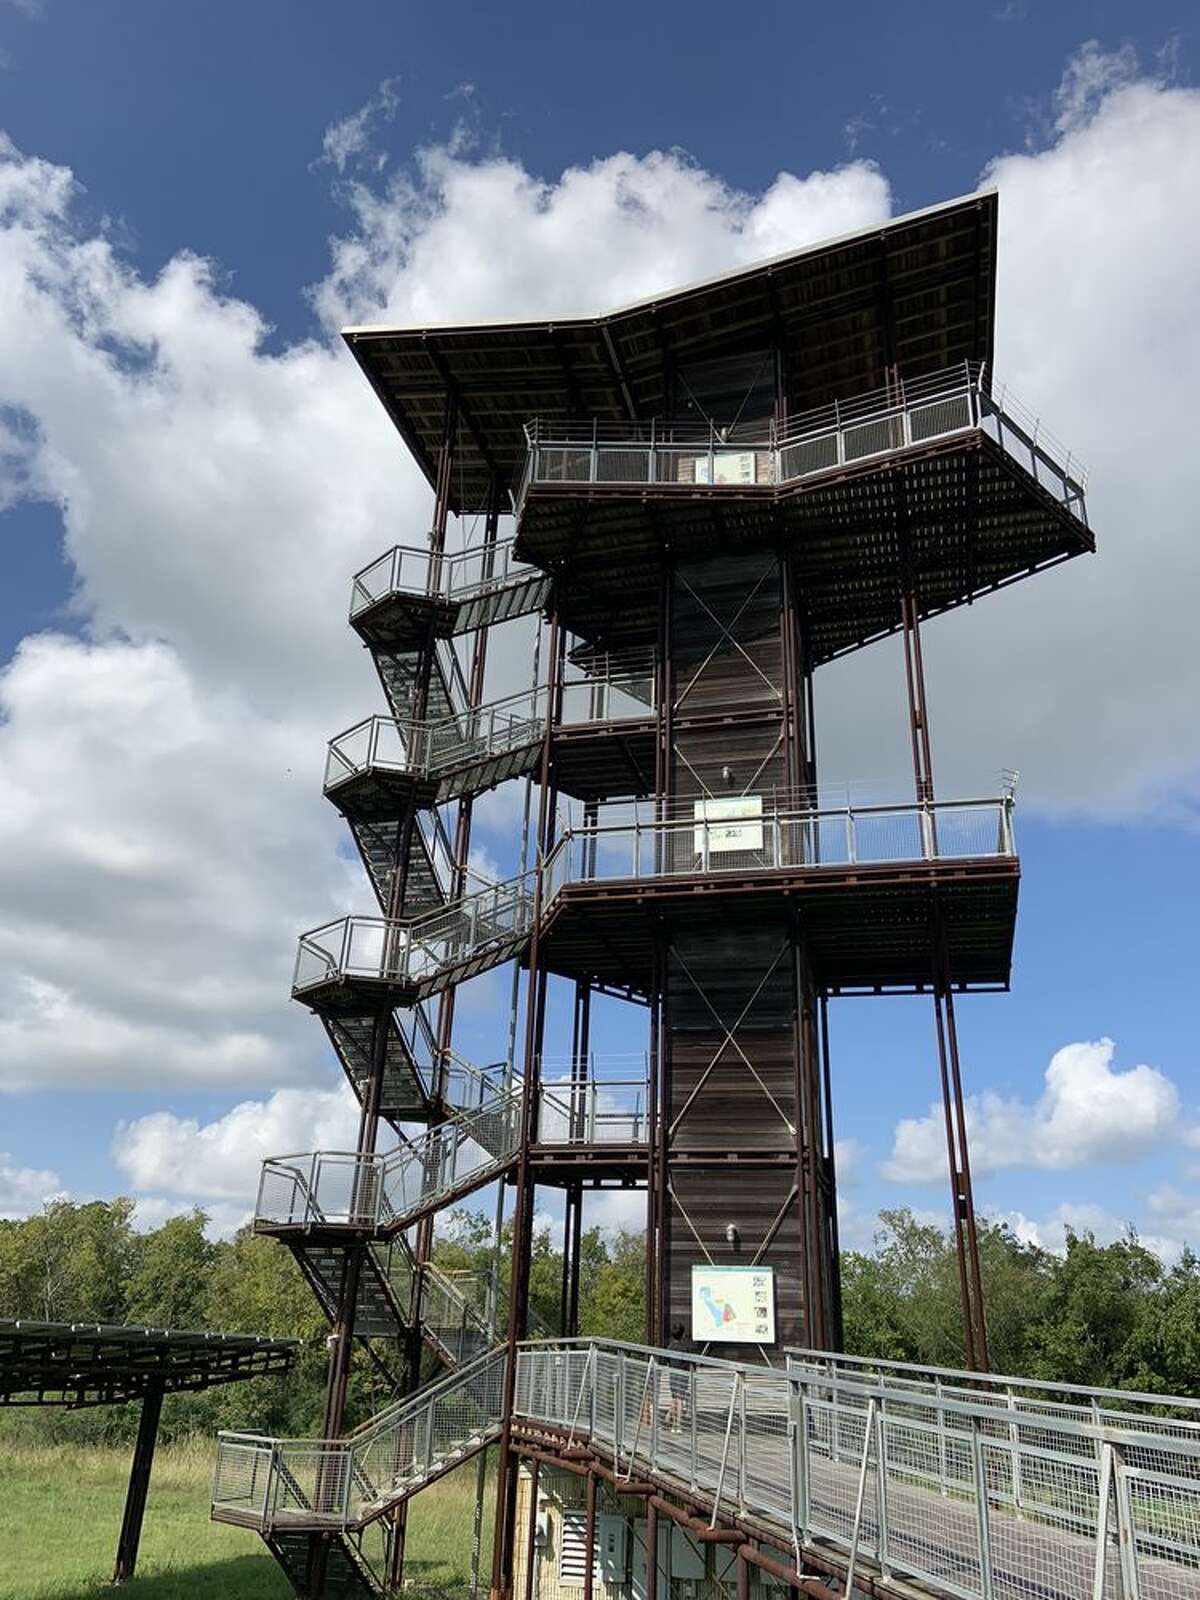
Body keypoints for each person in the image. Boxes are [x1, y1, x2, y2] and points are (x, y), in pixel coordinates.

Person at [665, 1321, 689, 1433]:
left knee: (675, 1399)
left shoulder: (669, 1347)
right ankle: (678, 1425)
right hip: (682, 1376)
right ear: (682, 1334)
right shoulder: (684, 1348)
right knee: (679, 1400)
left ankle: (670, 1420)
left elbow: (667, 1361)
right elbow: (687, 1363)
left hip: (672, 1375)